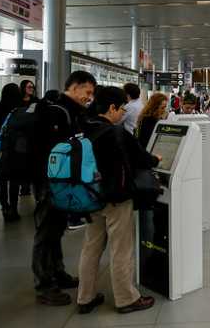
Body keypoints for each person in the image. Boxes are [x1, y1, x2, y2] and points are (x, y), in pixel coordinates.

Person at [76, 86, 159, 315]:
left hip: (91, 196)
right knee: (121, 249)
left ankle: (85, 297)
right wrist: (156, 159)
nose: (123, 113)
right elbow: (143, 159)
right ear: (111, 108)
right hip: (116, 199)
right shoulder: (116, 132)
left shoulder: (85, 127)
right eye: (122, 108)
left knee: (91, 247)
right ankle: (126, 298)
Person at [33, 71, 97, 306]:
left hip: (62, 182)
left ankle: (57, 273)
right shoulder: (57, 112)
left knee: (57, 228)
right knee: (46, 232)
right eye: (87, 92)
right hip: (50, 182)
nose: (89, 97)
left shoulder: (72, 111)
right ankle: (44, 285)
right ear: (75, 87)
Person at [0, 83, 23, 221]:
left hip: (1, 148)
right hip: (16, 148)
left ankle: (4, 207)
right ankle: (13, 208)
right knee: (14, 180)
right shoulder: (20, 110)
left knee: (2, 179)